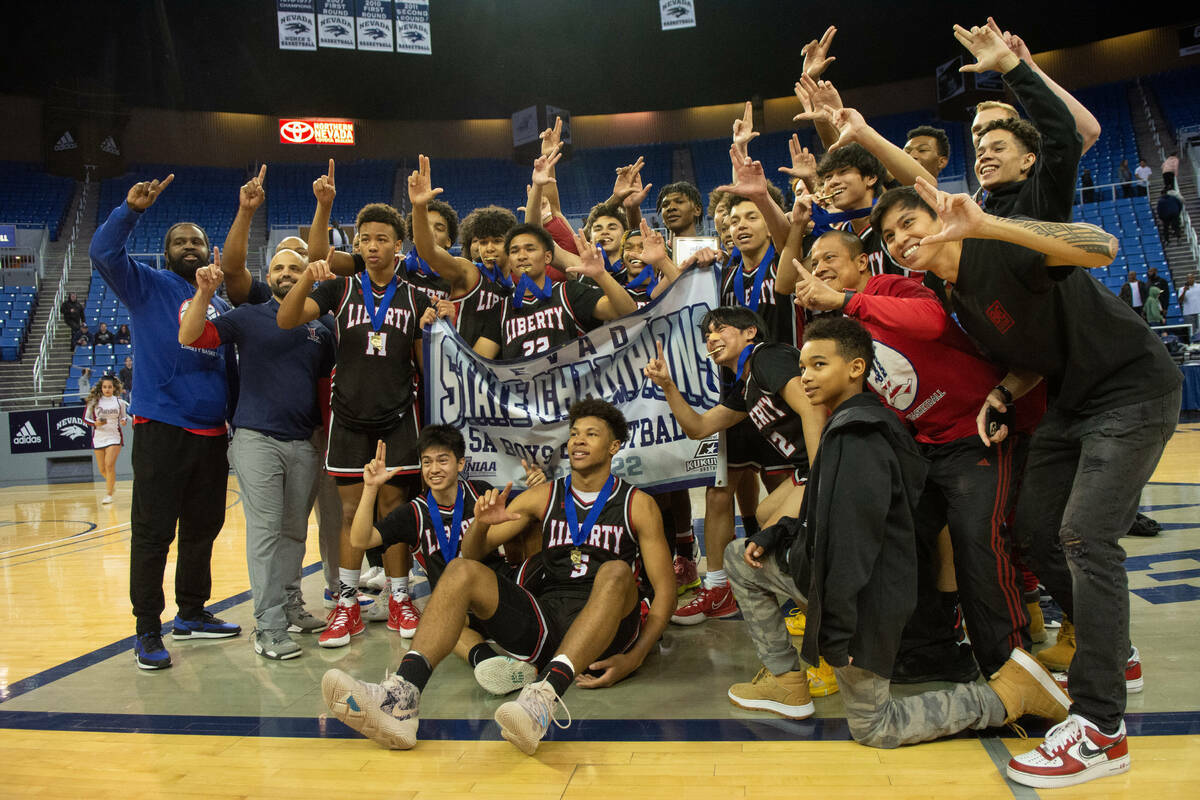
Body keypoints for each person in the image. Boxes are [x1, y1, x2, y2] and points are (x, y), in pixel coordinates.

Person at [875, 180, 1181, 788]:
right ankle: (1112, 654)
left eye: (909, 223)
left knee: (1085, 538)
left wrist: (989, 225)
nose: (900, 241)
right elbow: (1033, 356)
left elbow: (1099, 245)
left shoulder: (995, 248)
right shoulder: (953, 293)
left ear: (942, 213)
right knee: (1037, 534)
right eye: (888, 236)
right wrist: (1001, 391)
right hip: (1072, 402)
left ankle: (1101, 729)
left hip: (1133, 390)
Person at [724, 315, 1069, 744]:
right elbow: (826, 515)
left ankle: (1004, 697)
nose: (805, 377)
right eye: (803, 368)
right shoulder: (847, 425)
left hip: (861, 608)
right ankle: (788, 685)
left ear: (855, 369)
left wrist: (838, 627)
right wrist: (774, 535)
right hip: (832, 586)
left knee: (875, 728)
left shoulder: (862, 437)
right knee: (739, 557)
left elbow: (856, 546)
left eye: (818, 365)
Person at [321, 399, 674, 755]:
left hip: (609, 632)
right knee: (459, 571)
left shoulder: (636, 504)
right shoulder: (546, 495)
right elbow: (472, 554)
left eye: (591, 434)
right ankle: (401, 697)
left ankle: (542, 700)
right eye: (573, 434)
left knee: (615, 571)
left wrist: (637, 656)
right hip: (548, 623)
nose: (578, 441)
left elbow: (665, 592)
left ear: (613, 446)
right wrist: (480, 524)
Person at [88, 168, 261, 670]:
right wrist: (131, 210)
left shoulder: (222, 301)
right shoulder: (146, 285)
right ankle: (147, 629)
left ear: (209, 251)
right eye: (179, 241)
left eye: (197, 241)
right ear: (166, 251)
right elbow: (102, 253)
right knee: (153, 533)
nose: (189, 246)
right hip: (162, 427)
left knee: (203, 528)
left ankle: (192, 612)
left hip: (211, 435)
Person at [278, 197, 432, 649]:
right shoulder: (340, 289)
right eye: (364, 239)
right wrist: (309, 272)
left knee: (393, 512)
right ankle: (347, 604)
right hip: (348, 418)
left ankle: (401, 598)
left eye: (381, 239)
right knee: (348, 514)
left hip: (400, 417)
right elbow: (287, 318)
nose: (371, 246)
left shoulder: (416, 295)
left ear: (398, 244)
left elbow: (426, 366)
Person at [179, 247, 337, 660]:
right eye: (278, 268)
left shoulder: (321, 325)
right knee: (266, 531)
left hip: (304, 442)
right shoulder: (248, 315)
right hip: (256, 439)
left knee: (294, 531)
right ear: (269, 276)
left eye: (295, 268)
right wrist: (203, 294)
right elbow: (190, 335)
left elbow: (324, 389)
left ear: (309, 276)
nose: (286, 274)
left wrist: (323, 439)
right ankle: (267, 626)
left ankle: (289, 604)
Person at [348, 427, 546, 694]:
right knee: (438, 617)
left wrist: (540, 490)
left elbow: (520, 517)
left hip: (498, 595)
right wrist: (371, 489)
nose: (434, 469)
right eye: (427, 462)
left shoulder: (480, 493)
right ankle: (491, 664)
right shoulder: (415, 512)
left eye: (443, 460)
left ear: (460, 463)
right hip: (460, 611)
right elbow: (361, 540)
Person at [472, 224, 638, 360]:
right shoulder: (501, 310)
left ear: (547, 257)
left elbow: (628, 311)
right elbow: (476, 363)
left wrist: (601, 275)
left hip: (573, 397)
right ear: (509, 260)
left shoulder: (569, 292)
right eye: (514, 251)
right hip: (525, 398)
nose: (521, 256)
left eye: (530, 249)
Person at [83, 374, 129, 505]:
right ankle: (111, 484)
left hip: (114, 436)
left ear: (114, 388)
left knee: (109, 465)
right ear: (101, 388)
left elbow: (124, 417)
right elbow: (86, 418)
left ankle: (108, 494)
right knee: (102, 469)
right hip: (99, 437)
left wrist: (124, 420)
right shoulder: (94, 401)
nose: (107, 389)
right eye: (105, 387)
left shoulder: (119, 402)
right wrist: (95, 423)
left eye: (109, 387)